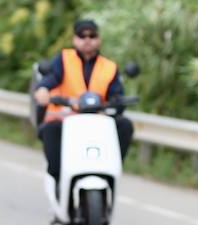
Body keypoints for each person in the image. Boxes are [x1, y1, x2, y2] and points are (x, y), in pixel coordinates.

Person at [32, 18, 133, 192]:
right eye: (82, 35)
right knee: (51, 129)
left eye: (92, 35)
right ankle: (57, 179)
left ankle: (112, 170)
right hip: (68, 119)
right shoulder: (63, 59)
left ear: (98, 38)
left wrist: (116, 102)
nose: (87, 39)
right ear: (74, 39)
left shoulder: (109, 67)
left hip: (98, 122)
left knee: (124, 125)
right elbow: (51, 78)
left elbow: (117, 94)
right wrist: (42, 89)